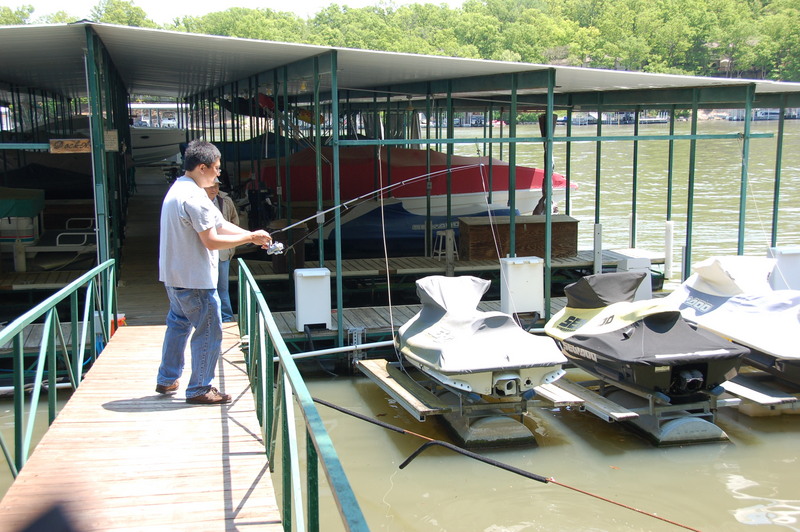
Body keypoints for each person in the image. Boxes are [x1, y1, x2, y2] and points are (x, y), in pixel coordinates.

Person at [156, 140, 272, 405]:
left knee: (178, 325)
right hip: (195, 279)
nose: (219, 173)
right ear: (202, 167)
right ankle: (199, 388)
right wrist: (249, 239)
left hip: (174, 277)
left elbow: (219, 224)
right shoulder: (195, 198)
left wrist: (253, 235)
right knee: (209, 331)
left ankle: (167, 379)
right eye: (217, 168)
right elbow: (211, 240)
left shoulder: (180, 189)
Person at [204, 178, 239, 322]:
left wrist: (231, 248)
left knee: (223, 288)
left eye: (217, 186)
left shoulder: (225, 200)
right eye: (211, 186)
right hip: (204, 253)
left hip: (223, 252)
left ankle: (226, 318)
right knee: (206, 288)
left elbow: (234, 221)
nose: (214, 189)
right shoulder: (196, 202)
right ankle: (210, 318)